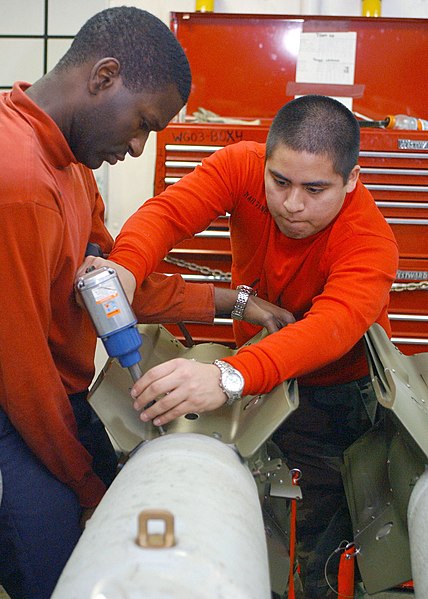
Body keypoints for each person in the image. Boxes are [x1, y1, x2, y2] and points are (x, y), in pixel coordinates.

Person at [81, 95, 399, 598]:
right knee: (245, 517)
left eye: (316, 189)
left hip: (334, 395)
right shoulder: (239, 166)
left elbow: (329, 328)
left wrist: (227, 376)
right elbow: (167, 213)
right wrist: (127, 265)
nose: (293, 204)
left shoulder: (370, 241)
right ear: (266, 163)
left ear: (352, 180)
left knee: (318, 541)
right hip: (255, 379)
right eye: (281, 182)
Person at [0, 7, 198, 599]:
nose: (138, 148)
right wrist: (88, 489)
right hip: (15, 407)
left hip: (46, 394)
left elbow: (107, 284)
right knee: (61, 571)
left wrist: (229, 301)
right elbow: (23, 371)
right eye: (142, 123)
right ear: (104, 75)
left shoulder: (70, 165)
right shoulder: (19, 183)